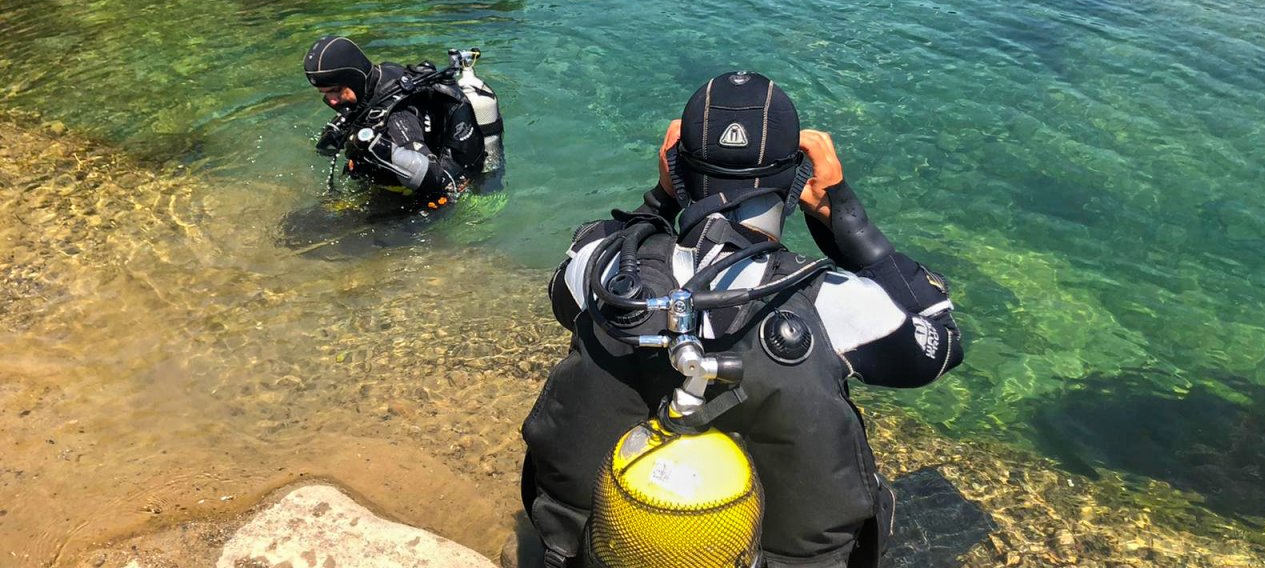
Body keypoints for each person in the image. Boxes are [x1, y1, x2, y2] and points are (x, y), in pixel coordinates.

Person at [520, 71, 965, 567]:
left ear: (675, 165)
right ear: (798, 180)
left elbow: (565, 300)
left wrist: (662, 197)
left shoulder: (601, 268)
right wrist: (845, 212)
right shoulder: (834, 304)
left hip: (589, 546)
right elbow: (940, 343)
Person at [302, 35, 488, 201]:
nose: (332, 101)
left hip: (425, 197)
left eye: (336, 91)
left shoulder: (397, 118)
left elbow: (439, 181)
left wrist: (381, 149)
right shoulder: (377, 80)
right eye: (324, 93)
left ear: (355, 79)